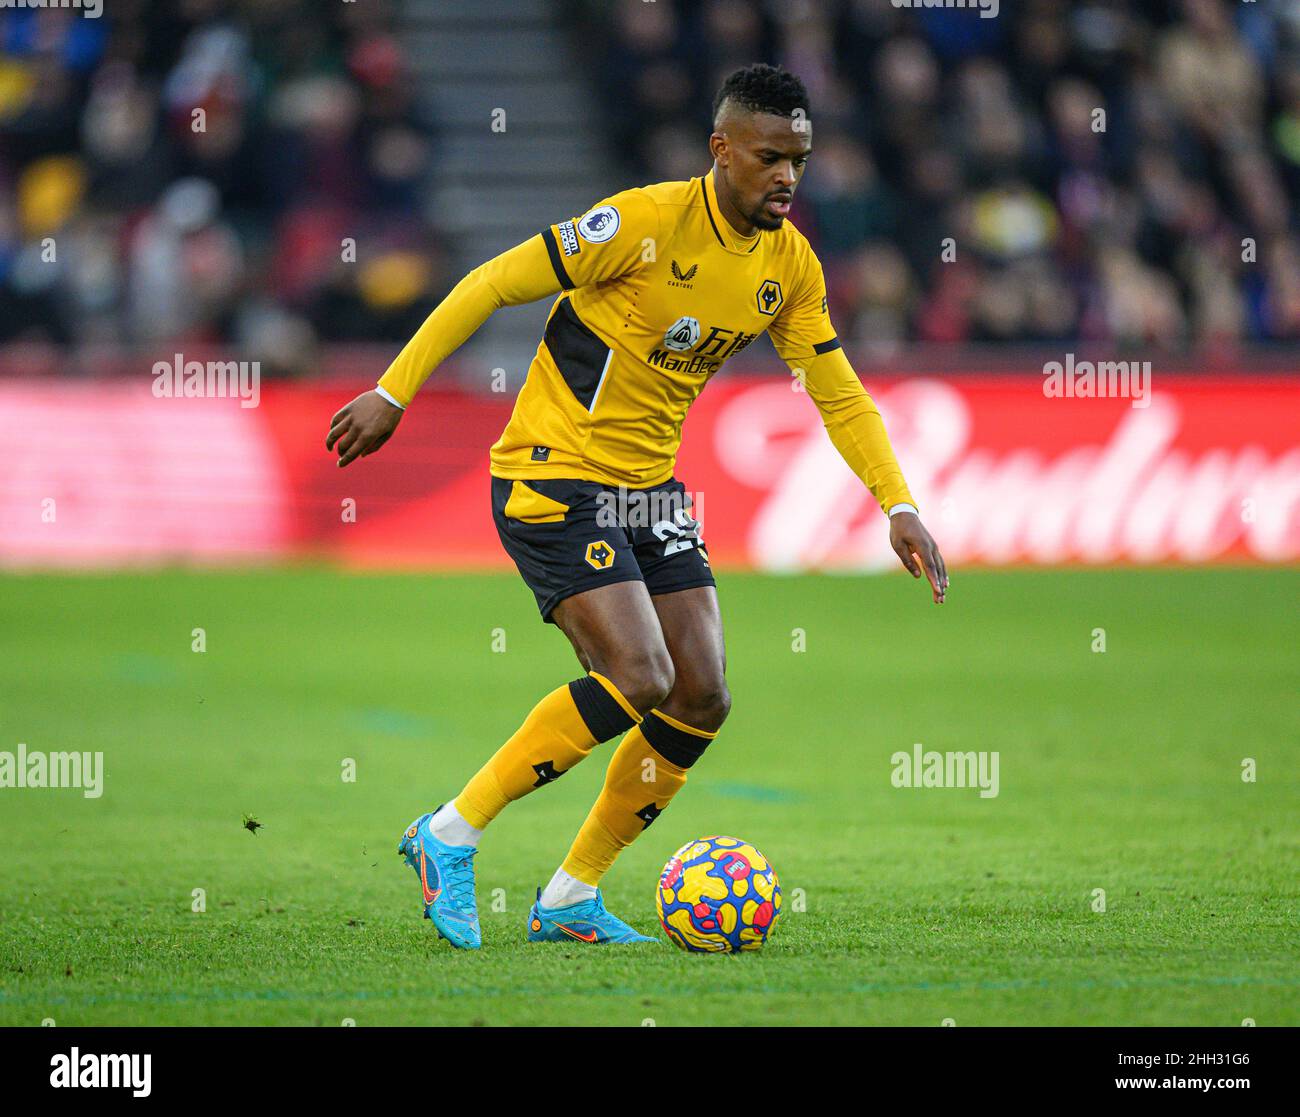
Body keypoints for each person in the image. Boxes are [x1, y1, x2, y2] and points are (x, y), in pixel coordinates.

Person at [326, 64, 948, 949]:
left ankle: (569, 896)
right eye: (770, 157)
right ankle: (448, 834)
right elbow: (492, 282)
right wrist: (394, 390)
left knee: (702, 692)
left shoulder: (788, 264)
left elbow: (837, 391)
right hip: (552, 476)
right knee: (639, 675)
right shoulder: (645, 224)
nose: (787, 178)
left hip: (648, 489)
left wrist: (898, 502)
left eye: (799, 160)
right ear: (720, 150)